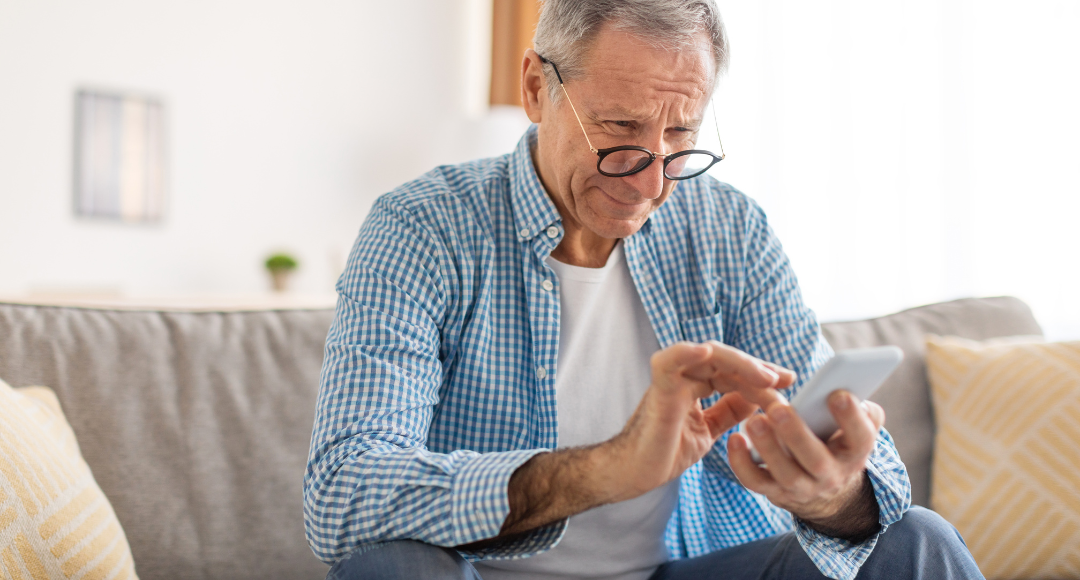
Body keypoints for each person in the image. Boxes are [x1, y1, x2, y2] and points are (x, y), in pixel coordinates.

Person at [304, 1, 985, 579]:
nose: (650, 182)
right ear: (537, 88)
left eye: (680, 134)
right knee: (389, 569)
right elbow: (343, 492)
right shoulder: (422, 228)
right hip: (477, 570)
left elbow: (878, 484)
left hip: (684, 568)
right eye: (620, 129)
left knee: (916, 540)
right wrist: (604, 470)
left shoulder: (729, 229)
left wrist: (834, 495)